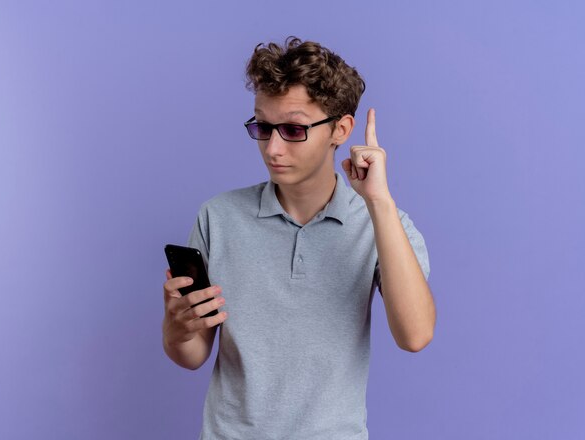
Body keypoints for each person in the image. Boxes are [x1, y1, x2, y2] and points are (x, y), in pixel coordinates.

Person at [162, 37, 436, 440]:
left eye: (292, 130)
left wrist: (378, 202)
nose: (272, 148)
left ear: (340, 129)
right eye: (262, 126)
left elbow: (415, 336)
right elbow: (193, 355)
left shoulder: (383, 223)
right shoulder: (218, 217)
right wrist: (177, 329)